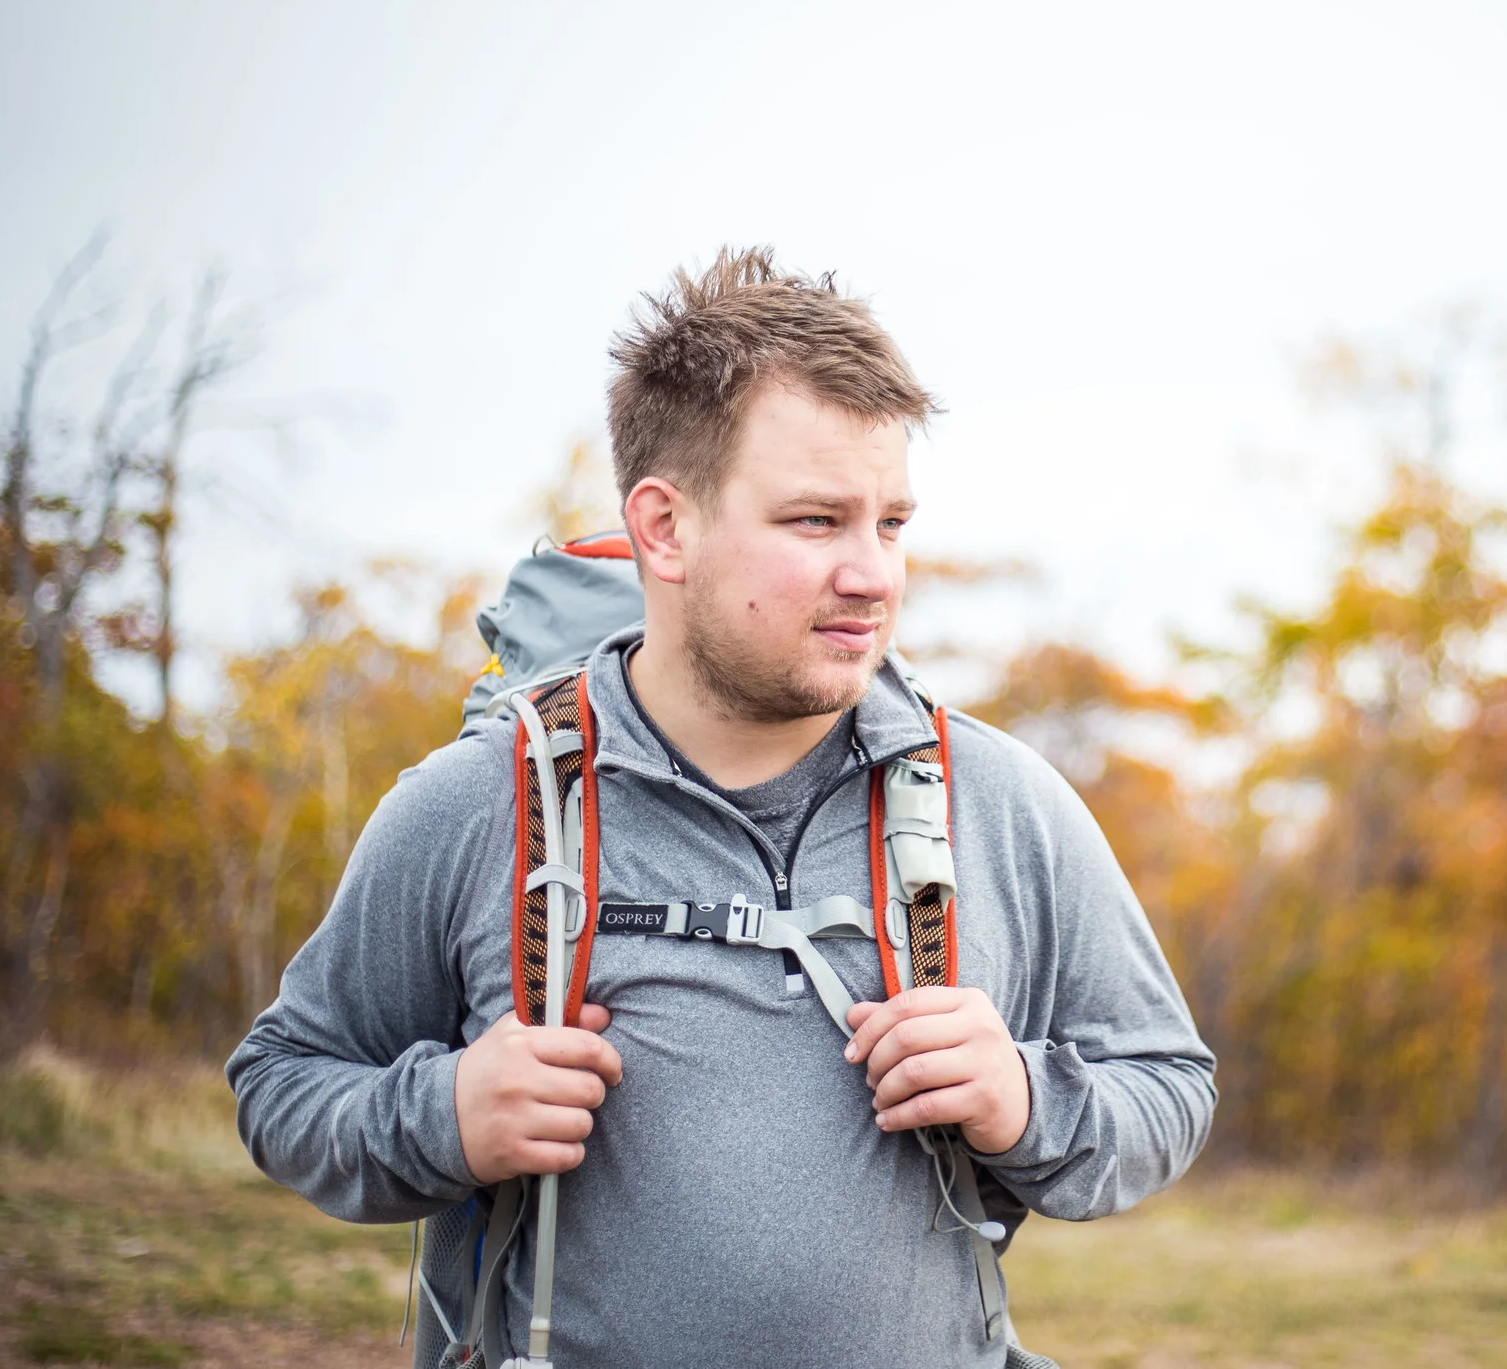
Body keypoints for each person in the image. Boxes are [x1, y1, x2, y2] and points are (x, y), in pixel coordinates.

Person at [227, 251, 1217, 1368]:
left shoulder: (1002, 802)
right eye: (816, 520)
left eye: (891, 522)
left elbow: (1169, 1085)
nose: (874, 574)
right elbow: (284, 1081)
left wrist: (1028, 1098)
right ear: (664, 527)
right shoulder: (476, 802)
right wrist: (441, 1116)